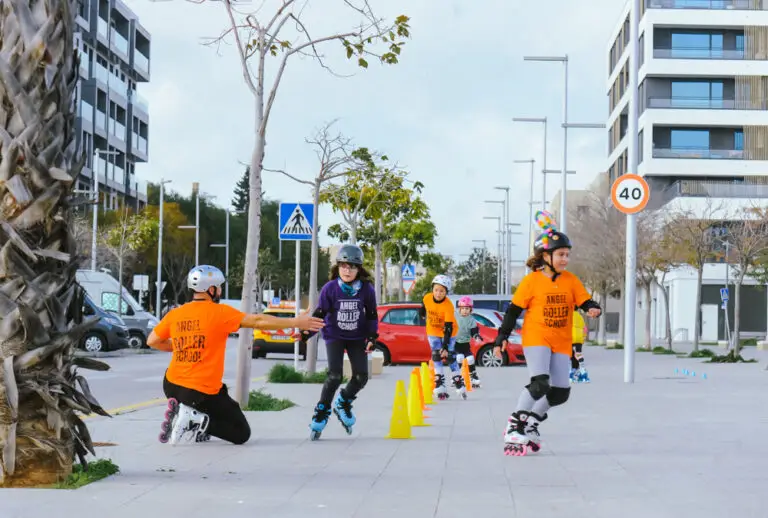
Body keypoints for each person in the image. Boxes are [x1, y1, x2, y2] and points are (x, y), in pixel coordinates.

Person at [148, 265, 324, 446]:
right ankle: (194, 421)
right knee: (240, 432)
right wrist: (296, 321)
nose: (220, 291)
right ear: (211, 289)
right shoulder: (220, 313)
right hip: (200, 391)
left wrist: (181, 346)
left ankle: (188, 415)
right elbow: (257, 320)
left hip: (171, 385)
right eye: (219, 287)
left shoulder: (175, 314)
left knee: (221, 396)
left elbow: (152, 341)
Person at [493, 219, 601, 456]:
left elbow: (584, 300)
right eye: (560, 254)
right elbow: (513, 311)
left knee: (561, 392)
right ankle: (515, 425)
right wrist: (502, 337)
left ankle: (531, 422)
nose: (565, 259)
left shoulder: (570, 280)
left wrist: (592, 307)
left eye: (567, 255)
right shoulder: (531, 281)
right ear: (545, 256)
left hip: (561, 341)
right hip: (537, 337)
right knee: (540, 383)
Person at [300, 244, 379, 440]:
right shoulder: (330, 288)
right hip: (334, 335)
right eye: (344, 266)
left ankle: (343, 402)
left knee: (361, 377)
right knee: (335, 376)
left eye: (352, 267)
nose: (347, 270)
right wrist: (306, 333)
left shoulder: (366, 289)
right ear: (338, 267)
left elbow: (371, 314)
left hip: (357, 337)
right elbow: (320, 314)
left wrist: (371, 337)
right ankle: (322, 411)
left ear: (358, 269)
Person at [419, 275, 467, 400]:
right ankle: (439, 381)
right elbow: (423, 306)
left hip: (449, 331)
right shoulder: (427, 298)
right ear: (432, 289)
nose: (438, 293)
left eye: (442, 291)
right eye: (436, 290)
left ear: (446, 292)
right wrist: (422, 314)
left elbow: (448, 328)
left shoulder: (448, 306)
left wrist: (445, 346)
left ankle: (458, 380)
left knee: (449, 355)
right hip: (433, 330)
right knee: (436, 355)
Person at [455, 296, 483, 388]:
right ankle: (457, 376)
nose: (465, 311)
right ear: (459, 309)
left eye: (467, 309)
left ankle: (473, 375)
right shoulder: (455, 316)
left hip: (465, 344)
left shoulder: (471, 319)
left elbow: (474, 331)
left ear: (470, 309)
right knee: (459, 357)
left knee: (470, 359)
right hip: (455, 343)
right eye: (463, 308)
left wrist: (476, 336)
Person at [570, 307, 590, 383]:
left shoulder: (568, 316)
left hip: (571, 338)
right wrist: (583, 337)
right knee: (578, 354)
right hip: (579, 338)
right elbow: (585, 329)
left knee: (571, 354)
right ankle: (581, 369)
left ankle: (573, 370)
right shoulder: (580, 317)